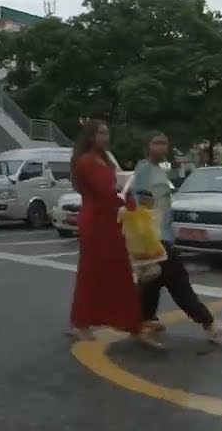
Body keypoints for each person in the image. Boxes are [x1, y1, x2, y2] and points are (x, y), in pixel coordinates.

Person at [131, 132, 222, 343]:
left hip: (162, 236)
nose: (162, 148)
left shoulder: (157, 170)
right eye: (157, 143)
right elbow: (139, 201)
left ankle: (143, 321)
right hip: (155, 237)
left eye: (165, 143)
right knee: (179, 283)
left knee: (153, 283)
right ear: (148, 146)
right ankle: (209, 323)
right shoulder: (144, 169)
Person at [68, 119, 155, 344]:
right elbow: (105, 191)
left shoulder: (105, 159)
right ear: (90, 137)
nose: (106, 137)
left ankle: (129, 321)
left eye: (107, 133)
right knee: (92, 274)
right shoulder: (86, 161)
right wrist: (122, 191)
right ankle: (81, 323)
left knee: (118, 273)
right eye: (102, 133)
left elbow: (115, 188)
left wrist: (130, 196)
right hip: (96, 223)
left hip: (111, 220)